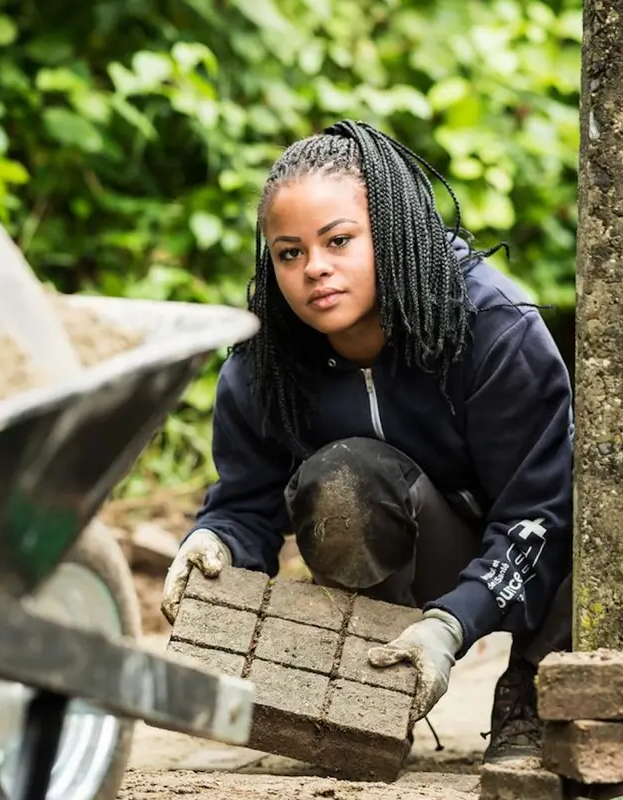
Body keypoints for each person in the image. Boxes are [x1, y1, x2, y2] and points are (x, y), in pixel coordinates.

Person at [161, 119, 573, 765]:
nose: (315, 269)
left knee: (595, 500)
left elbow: (539, 512)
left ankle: (529, 691)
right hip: (419, 547)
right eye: (290, 253)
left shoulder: (493, 330)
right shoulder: (262, 365)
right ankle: (373, 689)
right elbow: (246, 503)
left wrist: (451, 623)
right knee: (343, 479)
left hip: (526, 552)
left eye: (339, 241)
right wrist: (211, 542)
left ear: (391, 231)